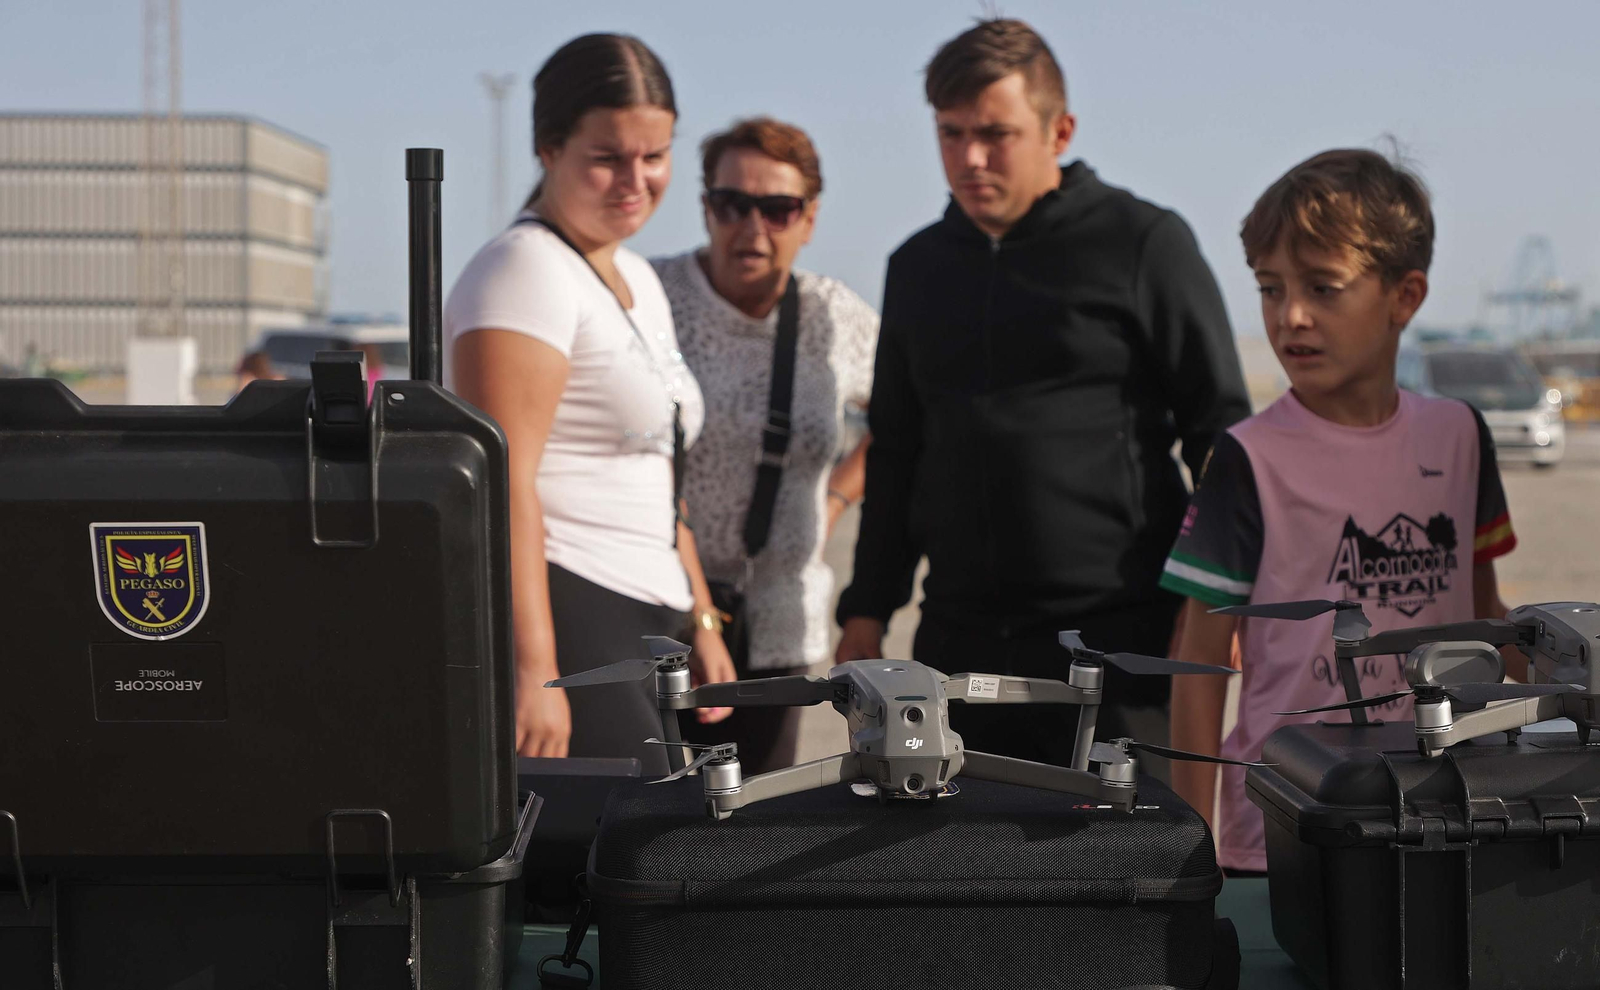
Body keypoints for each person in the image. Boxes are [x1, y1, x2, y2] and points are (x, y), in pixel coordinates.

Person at [834, 18, 1250, 776]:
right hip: (957, 647)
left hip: (1118, 645)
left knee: (1132, 876)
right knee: (968, 881)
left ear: (1059, 130)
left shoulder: (1143, 242)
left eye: (995, 134)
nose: (969, 158)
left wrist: (1227, 600)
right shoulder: (918, 268)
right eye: (951, 134)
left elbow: (1220, 433)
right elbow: (896, 450)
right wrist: (866, 611)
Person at [1163, 148, 1523, 875]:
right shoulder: (1248, 456)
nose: (1290, 316)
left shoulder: (1460, 436)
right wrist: (1191, 849)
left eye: (1323, 288)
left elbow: (1487, 616)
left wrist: (1577, 678)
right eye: (1270, 288)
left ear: (1405, 296)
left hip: (1446, 811)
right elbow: (1198, 662)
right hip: (1284, 829)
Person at [445, 33, 734, 774]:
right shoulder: (523, 270)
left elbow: (660, 479)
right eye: (606, 157)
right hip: (574, 610)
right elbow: (502, 485)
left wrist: (701, 617)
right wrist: (536, 670)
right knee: (610, 860)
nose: (634, 180)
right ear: (548, 147)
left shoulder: (634, 275)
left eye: (654, 155)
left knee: (653, 849)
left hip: (651, 612)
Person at [653, 118, 879, 773]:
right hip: (663, 608)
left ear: (809, 220)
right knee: (646, 826)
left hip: (781, 615)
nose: (752, 228)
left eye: (778, 209)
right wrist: (698, 617)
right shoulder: (654, 298)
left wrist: (833, 503)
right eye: (732, 205)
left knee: (756, 827)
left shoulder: (836, 315)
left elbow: (904, 417)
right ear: (705, 208)